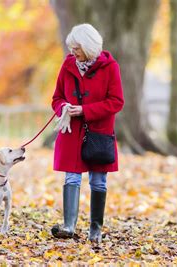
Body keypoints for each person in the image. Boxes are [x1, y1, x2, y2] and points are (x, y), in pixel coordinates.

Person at [50, 23, 124, 242]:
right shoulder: (67, 66)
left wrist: (85, 110)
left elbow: (116, 101)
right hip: (72, 131)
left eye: (77, 48)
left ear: (89, 47)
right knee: (71, 178)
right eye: (71, 48)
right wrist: (64, 108)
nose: (73, 52)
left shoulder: (110, 67)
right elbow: (57, 98)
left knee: (98, 181)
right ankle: (69, 226)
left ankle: (95, 229)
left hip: (99, 133)